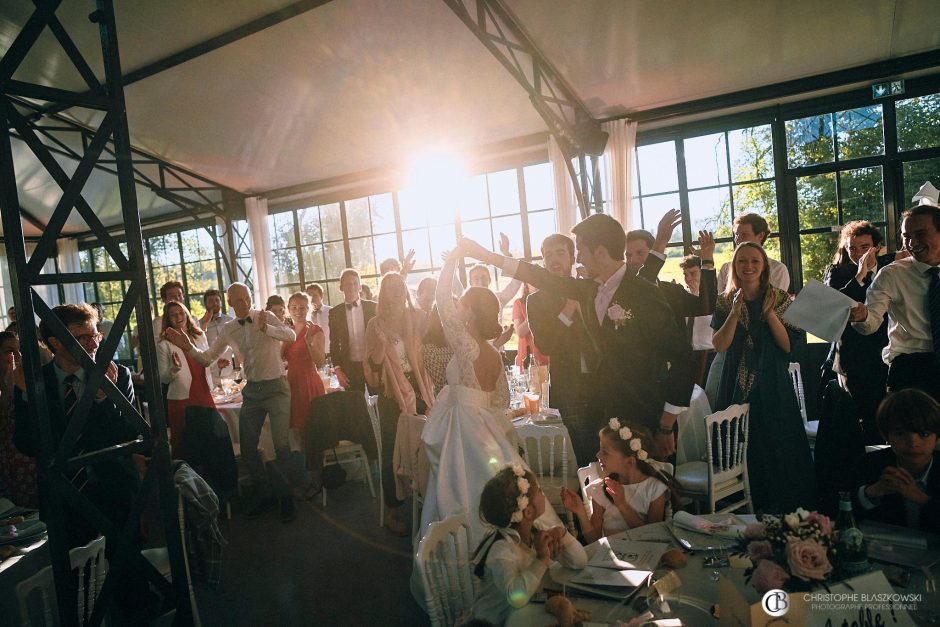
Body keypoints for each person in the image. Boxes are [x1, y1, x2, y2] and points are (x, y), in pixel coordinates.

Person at [459, 213, 693, 460]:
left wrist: (666, 424)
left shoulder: (644, 292)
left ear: (600, 253)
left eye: (580, 249)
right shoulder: (588, 289)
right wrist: (485, 255)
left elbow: (683, 358)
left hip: (649, 416)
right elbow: (537, 276)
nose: (578, 257)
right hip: (610, 415)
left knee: (651, 494)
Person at [418, 243, 565, 547]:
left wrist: (452, 261)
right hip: (487, 430)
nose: (456, 309)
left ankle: (471, 548)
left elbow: (441, 301)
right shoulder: (494, 353)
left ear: (469, 313)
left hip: (462, 432)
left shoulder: (467, 345)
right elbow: (500, 402)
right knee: (500, 486)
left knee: (462, 491)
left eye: (463, 305)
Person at [165, 282, 300, 522]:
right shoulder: (228, 329)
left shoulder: (264, 315)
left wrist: (267, 328)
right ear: (230, 303)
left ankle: (286, 497)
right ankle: (267, 495)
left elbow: (291, 334)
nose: (244, 304)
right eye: (238, 300)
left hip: (277, 387)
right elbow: (207, 359)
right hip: (253, 392)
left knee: (281, 445)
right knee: (248, 449)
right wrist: (188, 346)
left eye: (247, 298)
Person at [711, 242, 815, 512]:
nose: (748, 266)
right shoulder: (725, 299)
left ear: (764, 266)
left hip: (772, 380)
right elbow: (720, 345)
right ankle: (743, 507)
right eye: (742, 261)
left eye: (755, 261)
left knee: (775, 443)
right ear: (735, 266)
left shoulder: (779, 299)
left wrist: (769, 315)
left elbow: (788, 346)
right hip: (735, 381)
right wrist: (734, 313)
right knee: (741, 444)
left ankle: (783, 507)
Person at [468, 465, 587, 626]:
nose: (542, 493)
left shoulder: (534, 532)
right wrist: (542, 558)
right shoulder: (501, 549)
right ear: (528, 512)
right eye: (539, 490)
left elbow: (580, 561)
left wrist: (562, 533)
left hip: (526, 613)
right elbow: (517, 598)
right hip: (494, 622)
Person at [364, 272, 434, 535]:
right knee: (393, 451)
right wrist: (381, 346)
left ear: (405, 290)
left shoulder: (415, 318)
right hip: (392, 393)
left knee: (427, 444)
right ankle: (393, 510)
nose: (395, 291)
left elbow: (433, 340)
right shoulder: (375, 324)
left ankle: (429, 502)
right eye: (390, 287)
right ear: (383, 293)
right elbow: (373, 366)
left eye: (399, 286)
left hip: (419, 386)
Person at [849, 204, 940, 402]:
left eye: (920, 234)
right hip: (910, 371)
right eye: (906, 236)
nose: (912, 242)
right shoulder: (892, 274)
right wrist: (862, 316)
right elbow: (870, 322)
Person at [824, 221, 900, 444]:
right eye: (852, 248)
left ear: (877, 247)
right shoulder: (836, 272)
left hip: (888, 355)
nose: (857, 253)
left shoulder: (890, 269)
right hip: (853, 357)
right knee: (861, 422)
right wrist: (860, 275)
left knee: (890, 418)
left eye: (864, 247)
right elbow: (833, 309)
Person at [525, 234, 596, 465]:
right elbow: (545, 344)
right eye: (548, 255)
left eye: (560, 253)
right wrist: (568, 308)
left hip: (605, 382)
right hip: (570, 388)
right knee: (585, 455)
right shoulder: (535, 301)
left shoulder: (591, 288)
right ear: (543, 261)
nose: (554, 260)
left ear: (572, 257)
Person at [707, 212, 789, 407]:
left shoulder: (778, 271)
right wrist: (734, 312)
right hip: (731, 352)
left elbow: (786, 342)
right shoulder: (726, 272)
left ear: (760, 236)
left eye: (742, 234)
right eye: (735, 235)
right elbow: (722, 311)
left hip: (767, 355)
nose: (737, 239)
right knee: (714, 395)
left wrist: (767, 313)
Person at [561, 421, 679, 542]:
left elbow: (652, 536)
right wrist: (580, 512)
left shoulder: (654, 488)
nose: (597, 455)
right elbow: (593, 540)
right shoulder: (601, 489)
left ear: (629, 462)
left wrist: (622, 504)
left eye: (605, 452)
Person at [851, 389, 940, 533]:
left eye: (924, 434)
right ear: (886, 435)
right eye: (900, 433)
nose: (912, 442)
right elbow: (832, 508)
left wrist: (920, 498)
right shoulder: (870, 464)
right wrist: (871, 492)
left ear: (938, 437)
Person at [156, 301, 216, 454]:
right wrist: (174, 368)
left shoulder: (199, 335)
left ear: (187, 314)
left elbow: (206, 360)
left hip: (204, 393)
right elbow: (163, 378)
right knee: (184, 444)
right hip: (181, 399)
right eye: (173, 315)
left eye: (181, 313)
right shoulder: (163, 344)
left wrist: (217, 364)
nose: (178, 317)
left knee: (210, 439)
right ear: (168, 319)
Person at [283, 291, 326, 499]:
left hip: (309, 384)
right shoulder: (287, 331)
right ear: (288, 310)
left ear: (309, 309)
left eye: (302, 307)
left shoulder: (316, 331)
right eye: (294, 308)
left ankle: (317, 483)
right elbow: (281, 358)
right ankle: (309, 479)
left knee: (312, 435)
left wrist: (308, 342)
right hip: (292, 385)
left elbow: (320, 362)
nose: (298, 311)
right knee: (299, 435)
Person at [0, 331, 38, 508]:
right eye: (9, 351)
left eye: (19, 350)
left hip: (27, 460)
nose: (17, 356)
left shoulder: (27, 379)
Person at [329, 269, 377, 391]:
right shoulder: (334, 313)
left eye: (355, 283)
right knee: (356, 405)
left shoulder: (373, 307)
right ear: (341, 288)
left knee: (379, 401)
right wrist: (338, 370)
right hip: (350, 367)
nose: (351, 287)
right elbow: (333, 344)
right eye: (347, 284)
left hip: (373, 363)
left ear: (360, 287)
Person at [199, 289, 236, 384]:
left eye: (217, 300)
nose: (214, 303)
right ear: (205, 304)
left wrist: (237, 367)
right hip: (210, 375)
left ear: (221, 302)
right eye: (210, 301)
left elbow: (237, 345)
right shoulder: (199, 325)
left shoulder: (230, 321)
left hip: (230, 373)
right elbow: (201, 349)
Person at [512, 284, 548, 370]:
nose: (536, 284)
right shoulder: (519, 303)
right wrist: (533, 311)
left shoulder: (550, 302)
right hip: (528, 355)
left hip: (547, 353)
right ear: (526, 284)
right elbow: (520, 332)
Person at [305, 283, 331, 355]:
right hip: (312, 354)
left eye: (315, 295)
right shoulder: (305, 316)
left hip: (330, 353)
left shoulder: (331, 311)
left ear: (321, 296)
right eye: (309, 296)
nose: (312, 299)